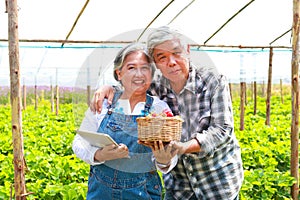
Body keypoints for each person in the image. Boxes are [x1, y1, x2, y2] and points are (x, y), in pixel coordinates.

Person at [91, 26, 244, 200]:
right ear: (155, 63)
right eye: (162, 57)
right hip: (178, 187)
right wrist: (109, 88)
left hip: (216, 181)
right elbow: (131, 85)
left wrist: (184, 147)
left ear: (187, 51)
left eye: (176, 53)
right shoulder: (155, 86)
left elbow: (221, 130)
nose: (171, 62)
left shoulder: (212, 80)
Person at [72, 42, 177, 200]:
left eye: (145, 68)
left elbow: (171, 151)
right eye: (131, 68)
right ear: (119, 73)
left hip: (143, 192)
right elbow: (79, 142)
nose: (139, 74)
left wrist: (164, 160)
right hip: (101, 192)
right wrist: (99, 154)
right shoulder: (104, 103)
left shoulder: (158, 108)